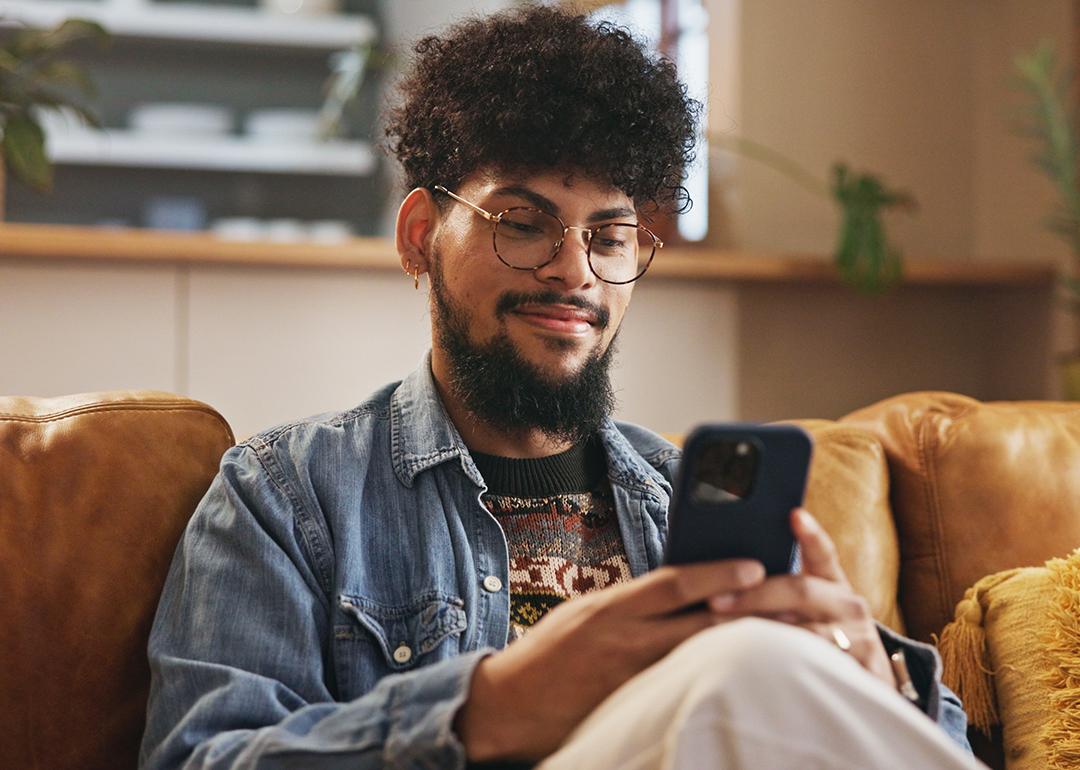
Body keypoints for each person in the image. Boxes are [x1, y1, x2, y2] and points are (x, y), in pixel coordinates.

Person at [140, 7, 980, 769]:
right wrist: (485, 713)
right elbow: (201, 758)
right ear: (421, 236)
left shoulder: (698, 502)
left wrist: (876, 682)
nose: (574, 271)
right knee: (744, 663)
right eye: (523, 224)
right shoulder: (284, 497)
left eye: (611, 234)